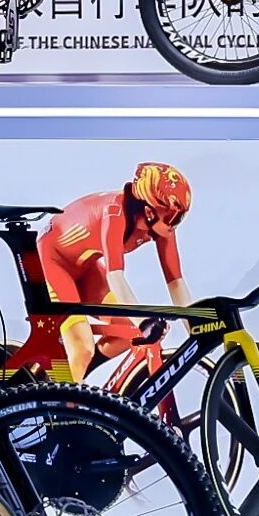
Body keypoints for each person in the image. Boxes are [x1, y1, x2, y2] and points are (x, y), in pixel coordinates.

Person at [36, 161, 191, 379]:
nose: (174, 225)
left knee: (131, 332)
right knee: (82, 349)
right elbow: (115, 276)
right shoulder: (114, 213)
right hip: (53, 262)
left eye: (181, 217)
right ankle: (64, 394)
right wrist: (145, 322)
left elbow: (176, 282)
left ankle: (72, 379)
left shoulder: (162, 225)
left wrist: (194, 331)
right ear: (149, 211)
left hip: (85, 268)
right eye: (173, 217)